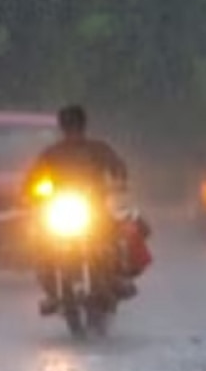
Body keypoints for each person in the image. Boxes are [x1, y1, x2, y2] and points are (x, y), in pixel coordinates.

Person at [25, 104, 133, 316]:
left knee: (112, 238)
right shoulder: (51, 154)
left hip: (94, 209)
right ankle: (53, 293)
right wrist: (31, 193)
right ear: (63, 128)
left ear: (82, 126)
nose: (72, 131)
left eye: (75, 126)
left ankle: (116, 279)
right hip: (59, 209)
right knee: (42, 247)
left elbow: (118, 168)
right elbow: (32, 180)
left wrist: (118, 182)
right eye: (68, 126)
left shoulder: (98, 149)